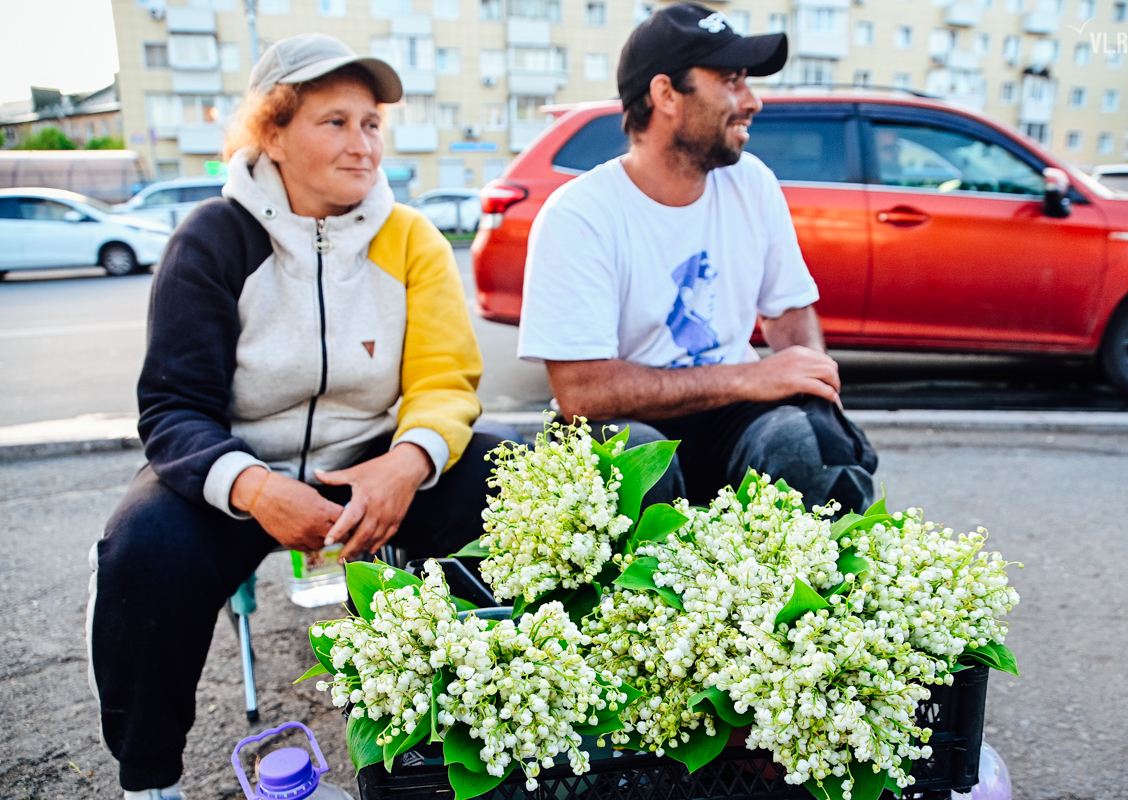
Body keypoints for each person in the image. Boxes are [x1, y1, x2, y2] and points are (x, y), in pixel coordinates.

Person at [88, 34, 497, 800]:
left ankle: (505, 724)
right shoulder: (211, 239)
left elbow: (447, 381)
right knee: (141, 550)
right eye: (333, 122)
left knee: (517, 488)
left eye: (371, 123)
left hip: (377, 465)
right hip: (243, 474)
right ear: (271, 132)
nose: (361, 144)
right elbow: (173, 408)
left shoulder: (411, 238)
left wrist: (408, 462)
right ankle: (149, 781)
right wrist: (253, 489)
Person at [518, 3, 876, 511]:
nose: (751, 101)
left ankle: (820, 589)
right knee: (633, 458)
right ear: (665, 94)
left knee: (808, 444)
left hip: (732, 416)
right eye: (731, 80)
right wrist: (749, 377)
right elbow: (582, 391)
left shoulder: (751, 182)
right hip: (621, 422)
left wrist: (810, 381)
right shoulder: (580, 213)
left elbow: (789, 310)